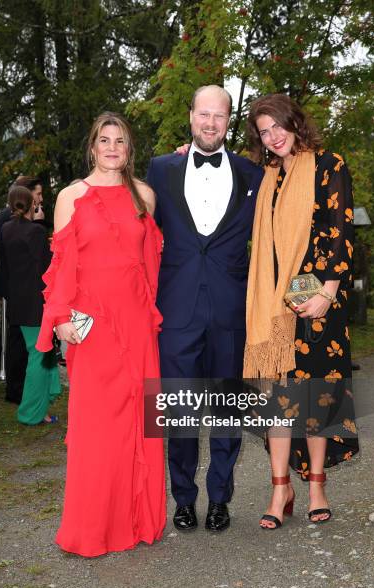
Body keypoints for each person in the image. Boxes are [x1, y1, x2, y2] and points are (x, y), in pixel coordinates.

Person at [36, 111, 166, 557]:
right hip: (91, 328)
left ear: (129, 150)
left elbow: (151, 265)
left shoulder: (143, 196)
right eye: (105, 140)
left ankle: (137, 522)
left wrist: (151, 315)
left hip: (136, 325)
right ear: (92, 147)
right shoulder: (70, 196)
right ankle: (92, 528)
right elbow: (58, 267)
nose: (112, 148)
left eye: (121, 141)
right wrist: (60, 318)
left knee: (141, 423)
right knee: (95, 429)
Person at [147, 85, 263, 532]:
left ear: (229, 121)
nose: (210, 123)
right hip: (175, 312)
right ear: (190, 115)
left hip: (231, 314)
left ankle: (220, 498)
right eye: (203, 114)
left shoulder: (253, 173)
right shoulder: (160, 170)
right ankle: (182, 497)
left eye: (219, 115)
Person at [243, 93, 359, 529]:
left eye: (277, 126)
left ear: (294, 122)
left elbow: (339, 230)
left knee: (313, 395)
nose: (272, 137)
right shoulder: (267, 176)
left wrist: (326, 293)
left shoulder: (329, 164)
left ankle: (314, 486)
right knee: (277, 398)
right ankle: (279, 489)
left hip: (316, 300)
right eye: (263, 130)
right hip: (274, 303)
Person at [1, 186, 61, 424]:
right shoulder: (35, 232)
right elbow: (47, 269)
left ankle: (42, 405)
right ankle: (31, 413)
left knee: (39, 352)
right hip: (37, 302)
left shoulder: (6, 229)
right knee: (39, 353)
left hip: (18, 302)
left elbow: (5, 269)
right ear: (32, 205)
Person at [0, 175, 45, 404]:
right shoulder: (30, 228)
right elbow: (41, 261)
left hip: (14, 292)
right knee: (33, 349)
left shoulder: (6, 225)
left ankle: (19, 391)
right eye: (38, 195)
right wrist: (38, 224)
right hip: (30, 295)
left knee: (20, 345)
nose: (40, 199)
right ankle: (27, 399)